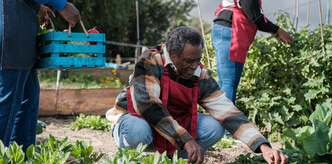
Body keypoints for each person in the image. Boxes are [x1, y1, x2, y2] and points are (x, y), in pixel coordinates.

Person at [106, 26, 289, 164]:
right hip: (138, 121)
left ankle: (179, 160)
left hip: (175, 127)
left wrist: (263, 146)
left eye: (198, 60)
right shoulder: (150, 61)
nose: (195, 66)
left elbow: (227, 112)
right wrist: (186, 140)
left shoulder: (200, 74)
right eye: (188, 61)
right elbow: (147, 105)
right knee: (137, 130)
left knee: (214, 126)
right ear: (172, 54)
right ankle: (131, 157)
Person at [0, 0, 81, 151]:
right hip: (10, 10)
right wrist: (61, 4)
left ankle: (20, 155)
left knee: (26, 94)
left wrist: (38, 4)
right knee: (8, 97)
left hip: (13, 4)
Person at [211, 0, 293, 105]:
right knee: (228, 82)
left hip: (226, 32)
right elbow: (256, 18)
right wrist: (279, 31)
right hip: (228, 32)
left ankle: (226, 124)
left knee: (228, 82)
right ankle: (228, 126)